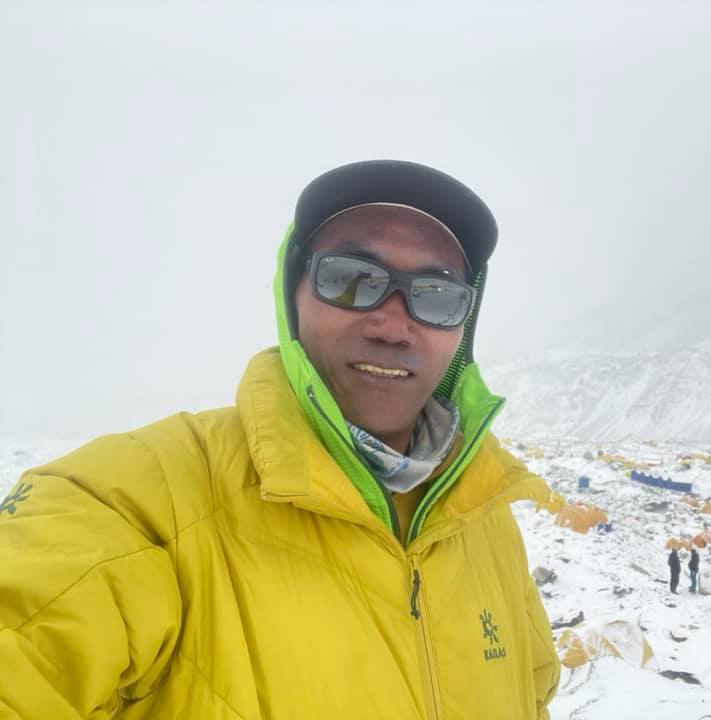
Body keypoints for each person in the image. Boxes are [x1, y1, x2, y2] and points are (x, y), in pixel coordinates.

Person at [0, 160, 561, 719]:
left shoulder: (484, 517)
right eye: (351, 279)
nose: (393, 327)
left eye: (437, 294)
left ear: (463, 325)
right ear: (292, 293)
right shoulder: (138, 500)